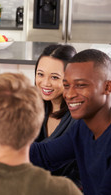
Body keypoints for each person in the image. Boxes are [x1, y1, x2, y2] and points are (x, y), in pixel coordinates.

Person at [30, 49, 111, 195]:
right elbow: (43, 155)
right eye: (67, 85)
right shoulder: (83, 127)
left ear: (108, 87)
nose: (70, 94)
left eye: (81, 85)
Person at [34, 44, 80, 186]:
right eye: (40, 74)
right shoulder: (33, 106)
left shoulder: (79, 117)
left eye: (55, 77)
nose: (45, 83)